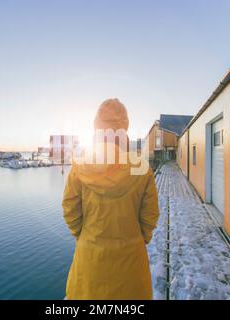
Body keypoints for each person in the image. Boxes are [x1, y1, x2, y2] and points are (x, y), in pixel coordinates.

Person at [62, 98, 160, 300]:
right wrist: (139, 239)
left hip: (90, 260)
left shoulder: (80, 167)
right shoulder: (142, 169)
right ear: (124, 129)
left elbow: (70, 211)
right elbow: (150, 216)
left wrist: (84, 236)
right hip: (132, 261)